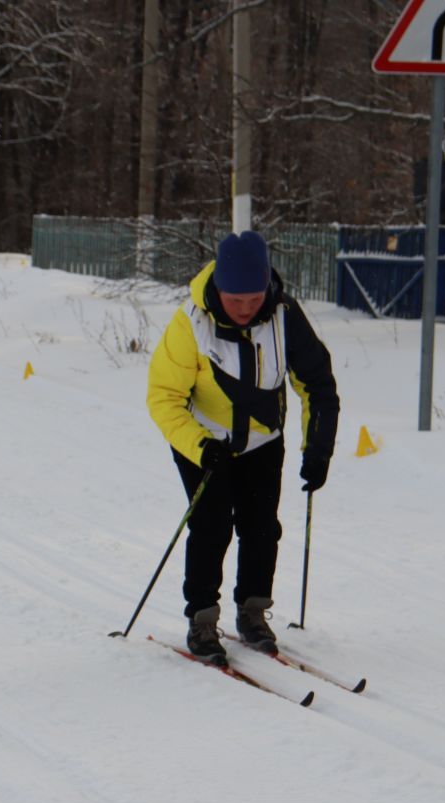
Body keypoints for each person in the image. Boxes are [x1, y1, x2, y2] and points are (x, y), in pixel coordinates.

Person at [146, 229, 339, 664]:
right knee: (212, 527)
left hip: (263, 442)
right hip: (205, 443)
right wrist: (199, 446)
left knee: (261, 528)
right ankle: (201, 617)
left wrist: (318, 450)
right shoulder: (190, 323)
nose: (247, 309)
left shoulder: (284, 315)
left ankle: (253, 612)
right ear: (219, 290)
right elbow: (163, 397)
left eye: (255, 299)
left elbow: (318, 385)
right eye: (237, 301)